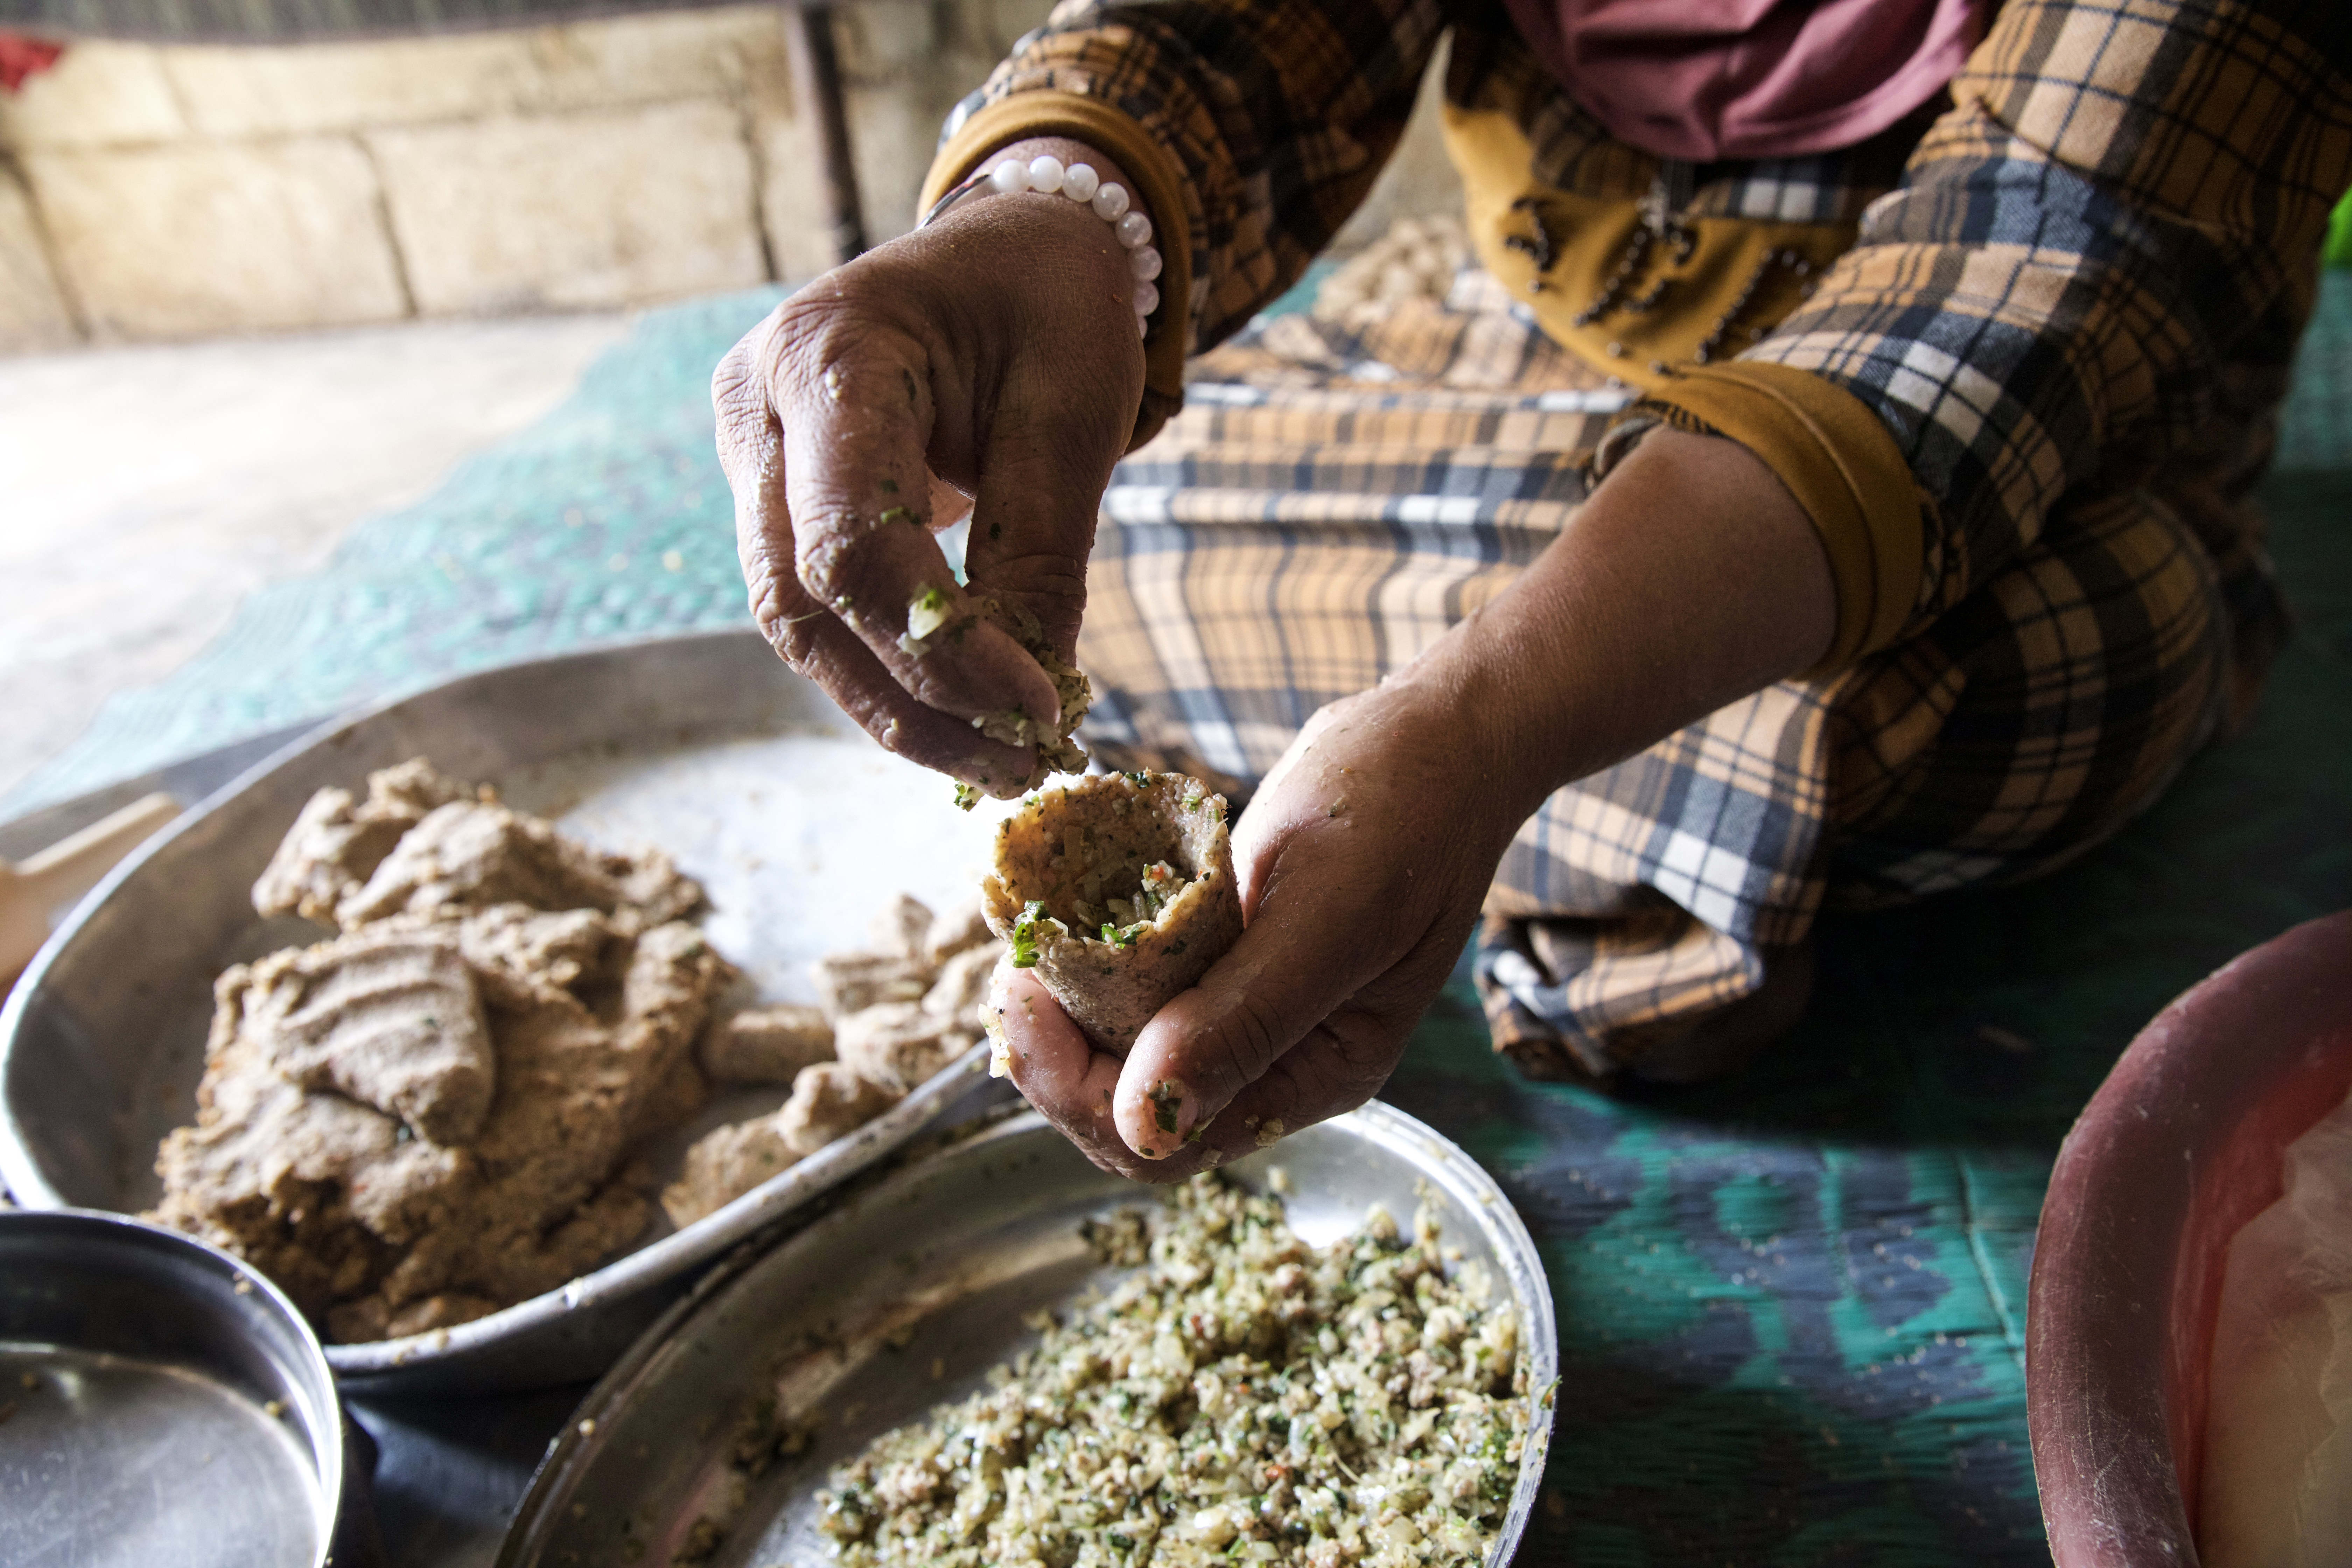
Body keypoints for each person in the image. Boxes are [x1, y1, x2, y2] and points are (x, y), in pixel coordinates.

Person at [714, 0, 2351, 1182]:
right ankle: (1614, 847)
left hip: (2007, 447)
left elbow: (2045, 264)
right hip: (1562, 364)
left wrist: (1493, 714)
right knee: (1098, 525)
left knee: (2051, 666)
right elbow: (1251, 43)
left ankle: (1502, 792)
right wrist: (1052, 212)